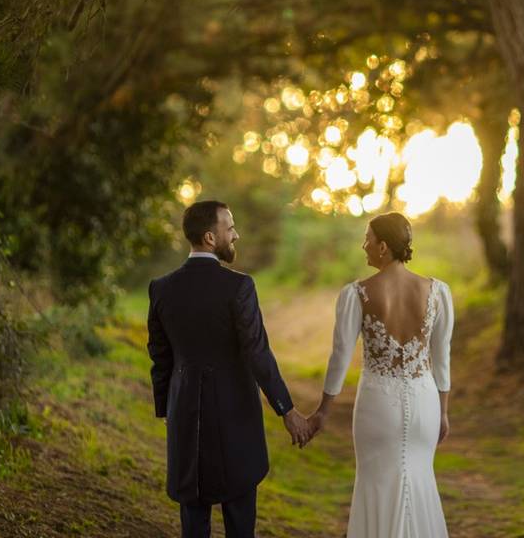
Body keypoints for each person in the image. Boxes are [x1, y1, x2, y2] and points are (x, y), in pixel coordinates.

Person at [146, 200, 312, 538]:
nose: (235, 234)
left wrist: (166, 407)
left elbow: (160, 355)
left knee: (193, 520)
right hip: (235, 418)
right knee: (240, 522)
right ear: (210, 237)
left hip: (185, 417)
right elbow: (258, 354)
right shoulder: (239, 287)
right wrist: (287, 409)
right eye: (229, 227)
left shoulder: (161, 288)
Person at [307, 211, 454, 537]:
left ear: (383, 246)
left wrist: (323, 412)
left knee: (376, 483)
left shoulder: (357, 294)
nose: (364, 245)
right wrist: (442, 413)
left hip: (377, 404)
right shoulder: (438, 293)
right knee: (418, 478)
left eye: (367, 239)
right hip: (424, 404)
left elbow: (340, 357)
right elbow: (441, 359)